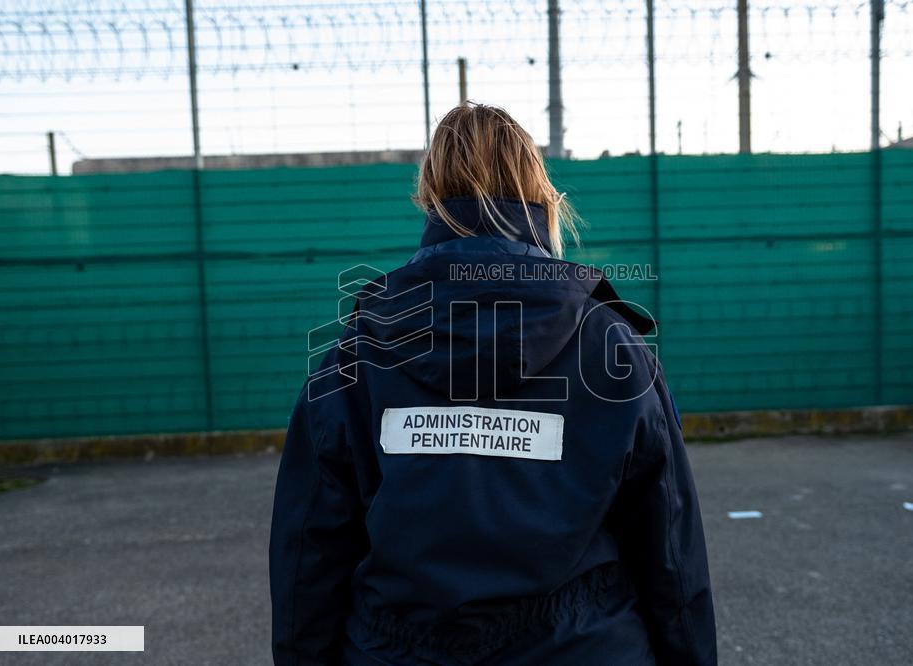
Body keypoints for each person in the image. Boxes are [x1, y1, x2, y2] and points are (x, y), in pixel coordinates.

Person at [269, 103, 716, 665]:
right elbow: (669, 543)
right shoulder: (612, 344)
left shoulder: (358, 349)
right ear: (542, 194)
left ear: (429, 195)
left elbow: (309, 548)